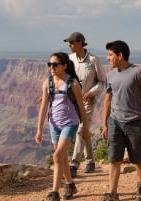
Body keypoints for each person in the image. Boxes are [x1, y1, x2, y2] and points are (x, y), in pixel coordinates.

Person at [101, 40, 141, 201]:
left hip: (135, 122)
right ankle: (113, 193)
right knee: (114, 159)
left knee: (137, 159)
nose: (107, 58)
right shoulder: (110, 75)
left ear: (120, 55)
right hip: (115, 122)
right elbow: (107, 100)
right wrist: (105, 124)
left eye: (110, 55)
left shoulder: (138, 72)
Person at [35, 52, 89, 201]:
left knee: (57, 156)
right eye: (49, 64)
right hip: (53, 124)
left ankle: (55, 192)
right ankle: (70, 184)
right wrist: (39, 129)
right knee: (62, 157)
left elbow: (81, 107)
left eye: (55, 65)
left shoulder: (73, 83)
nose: (51, 67)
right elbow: (44, 106)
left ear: (64, 66)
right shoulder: (48, 83)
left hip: (70, 123)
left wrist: (86, 128)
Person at [63, 32, 106, 177]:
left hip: (87, 102)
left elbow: (102, 82)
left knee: (81, 130)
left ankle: (74, 164)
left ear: (80, 42)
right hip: (72, 102)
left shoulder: (93, 60)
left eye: (72, 42)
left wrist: (92, 92)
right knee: (85, 131)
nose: (69, 45)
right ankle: (90, 161)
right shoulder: (69, 60)